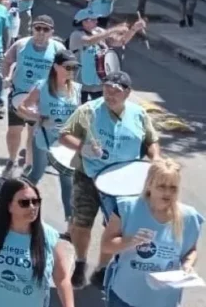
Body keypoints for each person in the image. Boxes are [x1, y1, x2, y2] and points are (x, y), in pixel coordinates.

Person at [56, 71, 162, 288]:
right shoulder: (88, 111)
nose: (110, 95)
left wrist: (156, 158)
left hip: (124, 183)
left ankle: (103, 268)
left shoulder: (139, 114)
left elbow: (151, 140)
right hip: (89, 176)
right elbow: (64, 134)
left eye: (116, 91)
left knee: (115, 230)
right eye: (106, 90)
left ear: (127, 93)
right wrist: (82, 147)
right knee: (81, 223)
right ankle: (80, 261)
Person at [0, 179, 74, 307]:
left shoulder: (49, 237)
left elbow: (62, 279)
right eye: (25, 203)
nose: (32, 207)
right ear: (9, 205)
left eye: (36, 201)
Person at [101, 158, 203, 307]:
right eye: (162, 186)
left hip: (164, 300)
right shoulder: (126, 208)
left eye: (173, 188)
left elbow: (190, 251)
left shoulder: (189, 217)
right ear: (149, 185)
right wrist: (130, 241)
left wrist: (187, 265)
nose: (167, 192)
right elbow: (106, 246)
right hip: (126, 296)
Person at [16, 50, 81, 223]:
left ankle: (70, 224)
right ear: (56, 67)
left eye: (74, 68)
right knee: (36, 174)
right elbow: (22, 108)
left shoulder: (76, 90)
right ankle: (15, 207)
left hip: (65, 144)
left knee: (67, 182)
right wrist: (39, 118)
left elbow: (79, 116)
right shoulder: (42, 86)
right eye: (67, 67)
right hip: (44, 140)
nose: (71, 71)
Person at [1, 15, 66, 179]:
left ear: (51, 32)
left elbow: (66, 71)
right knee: (14, 130)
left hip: (42, 99)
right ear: (32, 28)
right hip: (18, 95)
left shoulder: (58, 49)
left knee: (33, 134)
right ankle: (11, 160)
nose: (41, 32)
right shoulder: (21, 44)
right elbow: (7, 61)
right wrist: (7, 77)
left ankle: (29, 165)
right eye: (38, 28)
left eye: (45, 29)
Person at [69, 8, 144, 103]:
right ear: (83, 22)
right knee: (81, 113)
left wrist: (134, 29)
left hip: (99, 84)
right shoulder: (76, 35)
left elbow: (120, 41)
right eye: (92, 19)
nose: (96, 21)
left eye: (96, 19)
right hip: (80, 85)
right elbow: (89, 41)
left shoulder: (99, 31)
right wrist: (114, 30)